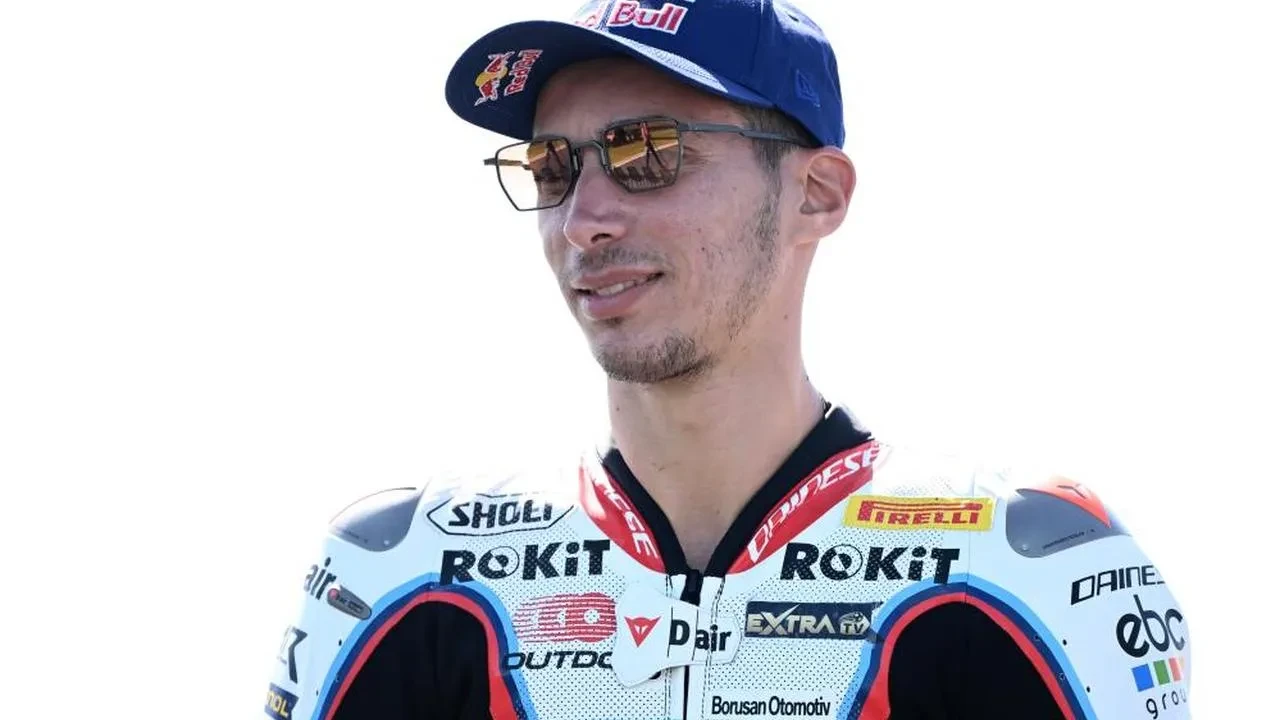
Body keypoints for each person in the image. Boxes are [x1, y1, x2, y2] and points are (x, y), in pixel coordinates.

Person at [261, 2, 1191, 718]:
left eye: (647, 153)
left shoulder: (1022, 569)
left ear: (816, 195)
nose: (584, 219)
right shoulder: (409, 570)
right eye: (552, 167)